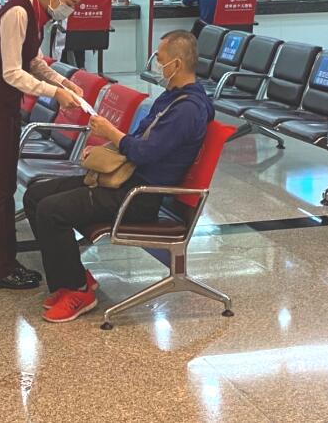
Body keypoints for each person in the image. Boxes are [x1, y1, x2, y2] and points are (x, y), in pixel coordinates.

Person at [23, 30, 214, 322]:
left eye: (160, 59)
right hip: (126, 180)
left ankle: (78, 291)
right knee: (35, 195)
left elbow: (145, 152)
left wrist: (110, 133)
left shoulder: (187, 110)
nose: (156, 64)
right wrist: (108, 150)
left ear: (176, 64)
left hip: (140, 195)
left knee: (51, 210)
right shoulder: (172, 98)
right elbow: (139, 140)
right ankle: (74, 276)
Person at [0, 0, 86, 290]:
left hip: (6, 108)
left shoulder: (36, 12)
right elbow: (11, 72)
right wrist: (55, 93)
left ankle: (8, 262)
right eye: (71, 3)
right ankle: (0, 269)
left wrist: (64, 81)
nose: (71, 10)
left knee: (5, 187)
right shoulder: (18, 13)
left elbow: (33, 61)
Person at [54, 0, 96, 67]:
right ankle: (63, 67)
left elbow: (97, 7)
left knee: (80, 35)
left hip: (83, 25)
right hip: (65, 25)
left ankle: (81, 67)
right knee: (64, 40)